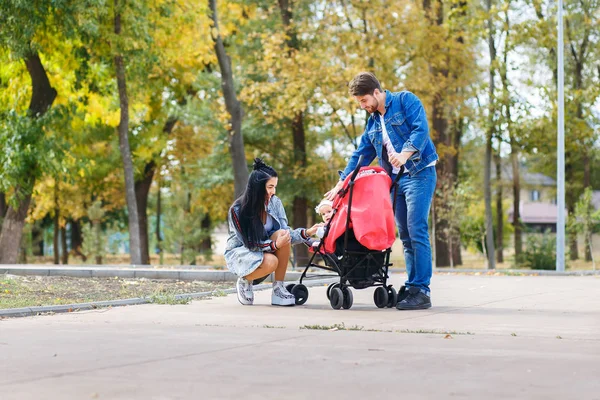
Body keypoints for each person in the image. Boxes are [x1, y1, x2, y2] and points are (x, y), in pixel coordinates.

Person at [325, 72, 438, 310]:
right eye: (360, 103)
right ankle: (412, 285)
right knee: (405, 236)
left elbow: (420, 130)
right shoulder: (374, 121)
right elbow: (362, 154)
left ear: (377, 92)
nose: (363, 106)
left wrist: (404, 154)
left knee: (417, 230)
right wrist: (340, 185)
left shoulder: (406, 100)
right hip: (396, 181)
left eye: (364, 100)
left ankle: (422, 290)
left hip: (419, 174)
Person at [225, 158, 321, 306]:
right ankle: (245, 280)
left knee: (283, 233)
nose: (273, 192)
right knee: (271, 262)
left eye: (275, 187)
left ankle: (278, 289)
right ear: (258, 186)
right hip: (243, 252)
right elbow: (251, 244)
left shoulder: (275, 202)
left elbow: (285, 233)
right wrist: (275, 245)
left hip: (267, 247)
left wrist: (307, 233)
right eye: (270, 187)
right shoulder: (237, 210)